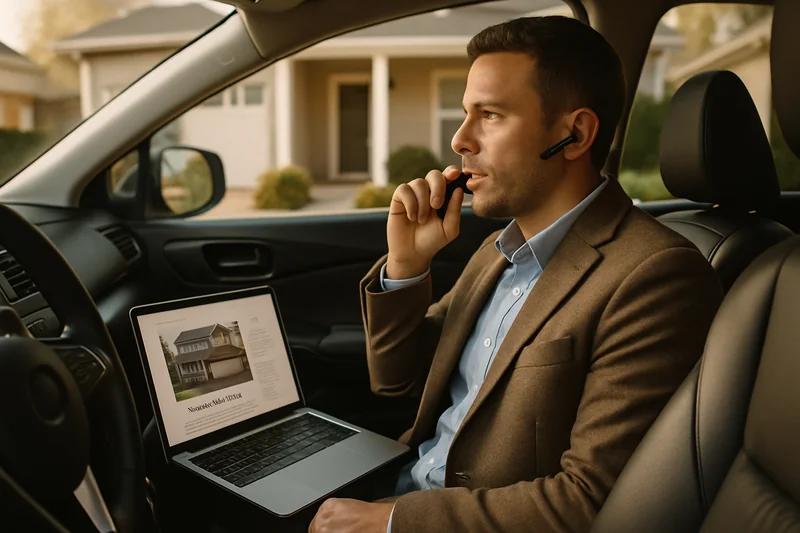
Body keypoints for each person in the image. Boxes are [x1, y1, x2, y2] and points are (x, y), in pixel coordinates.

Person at [309, 15, 723, 533]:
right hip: (397, 487)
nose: (460, 139)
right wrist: (408, 266)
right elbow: (397, 384)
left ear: (574, 135)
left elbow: (590, 500)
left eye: (491, 115)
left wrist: (392, 522)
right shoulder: (499, 248)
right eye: (466, 114)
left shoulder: (656, 277)